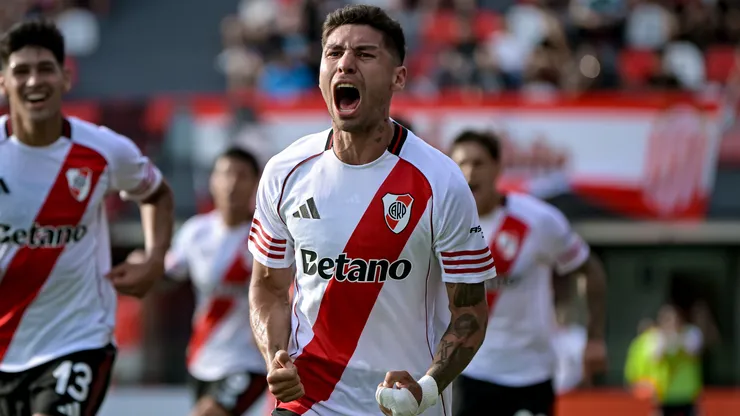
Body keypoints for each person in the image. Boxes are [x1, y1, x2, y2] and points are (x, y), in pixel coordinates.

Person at [247, 5, 496, 416]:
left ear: (399, 77)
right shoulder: (285, 171)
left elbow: (469, 311)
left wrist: (427, 388)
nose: (345, 64)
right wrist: (275, 356)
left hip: (402, 403)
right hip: (309, 398)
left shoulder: (440, 180)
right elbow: (268, 287)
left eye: (364, 54)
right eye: (333, 53)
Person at [0, 19, 174, 416]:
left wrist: (154, 258)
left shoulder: (104, 150)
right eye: (21, 71)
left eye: (45, 69)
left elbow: (156, 193)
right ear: (3, 82)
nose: (34, 81)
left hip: (76, 341)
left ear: (65, 77)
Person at [449, 130, 608, 416]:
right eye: (461, 164)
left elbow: (590, 269)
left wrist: (594, 338)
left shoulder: (538, 220)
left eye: (478, 163)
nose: (470, 172)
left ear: (497, 168)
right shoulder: (443, 224)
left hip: (531, 374)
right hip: (469, 371)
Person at [133, 148, 267, 416]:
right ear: (212, 181)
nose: (232, 183)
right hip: (203, 356)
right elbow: (169, 275)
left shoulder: (266, 234)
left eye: (242, 176)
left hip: (250, 360)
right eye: (225, 174)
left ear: (256, 183)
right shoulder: (196, 232)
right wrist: (144, 268)